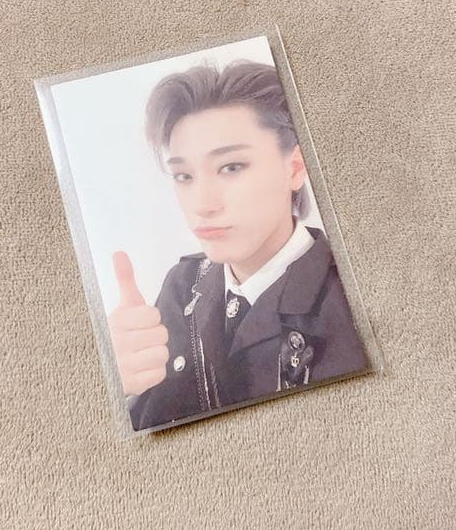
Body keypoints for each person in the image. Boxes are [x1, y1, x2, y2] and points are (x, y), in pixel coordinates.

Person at [107, 60, 368, 431]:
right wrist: (122, 388)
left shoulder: (351, 294)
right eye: (183, 175)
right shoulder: (183, 286)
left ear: (295, 168)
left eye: (231, 167)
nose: (202, 204)